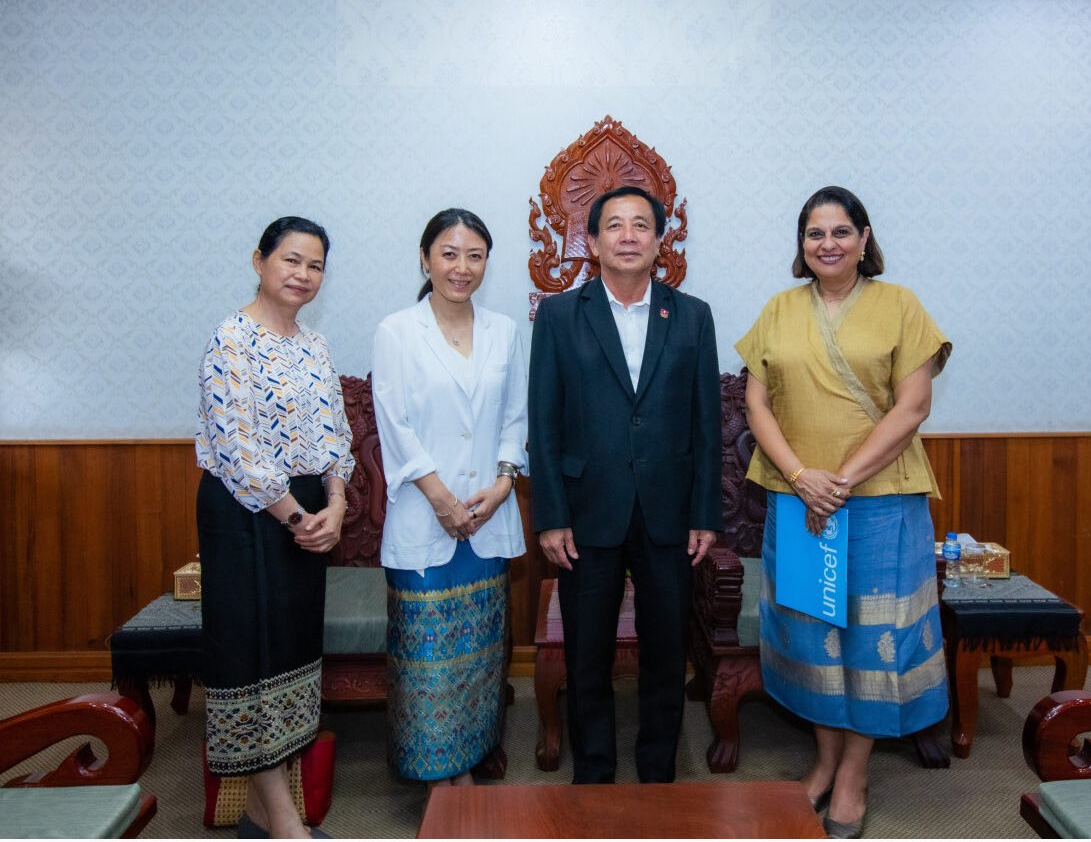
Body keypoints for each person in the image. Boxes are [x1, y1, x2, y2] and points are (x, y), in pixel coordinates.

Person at [736, 186, 951, 839]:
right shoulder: (778, 309)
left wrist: (844, 480)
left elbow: (912, 406)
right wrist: (803, 478)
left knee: (867, 639)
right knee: (810, 633)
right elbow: (756, 404)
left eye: (839, 231)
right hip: (799, 499)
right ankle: (824, 761)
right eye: (813, 233)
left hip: (880, 503)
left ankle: (853, 775)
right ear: (800, 245)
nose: (826, 243)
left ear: (863, 237)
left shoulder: (899, 304)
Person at [528, 185, 722, 784]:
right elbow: (545, 420)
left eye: (642, 225)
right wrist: (551, 515)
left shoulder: (691, 315)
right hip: (587, 512)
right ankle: (594, 768)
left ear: (661, 240)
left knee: (667, 650)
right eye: (615, 225)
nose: (629, 235)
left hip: (669, 512)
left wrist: (704, 513)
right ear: (592, 241)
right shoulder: (560, 315)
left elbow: (707, 424)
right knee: (589, 654)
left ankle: (659, 769)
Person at [196, 216, 354, 839]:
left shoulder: (313, 345)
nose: (303, 275)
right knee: (249, 656)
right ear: (259, 260)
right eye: (291, 261)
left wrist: (336, 506)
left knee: (291, 652)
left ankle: (265, 807)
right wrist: (297, 518)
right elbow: (239, 451)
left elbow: (336, 435)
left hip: (309, 515)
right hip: (247, 516)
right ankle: (283, 818)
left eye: (315, 266)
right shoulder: (230, 340)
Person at [371, 208, 527, 788]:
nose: (462, 267)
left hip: (487, 517)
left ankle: (470, 759)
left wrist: (505, 482)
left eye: (475, 256)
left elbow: (515, 418)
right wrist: (440, 499)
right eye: (449, 253)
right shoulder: (396, 331)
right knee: (428, 662)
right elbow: (395, 423)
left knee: (478, 658)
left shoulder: (505, 330)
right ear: (425, 257)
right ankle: (440, 780)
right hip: (424, 517)